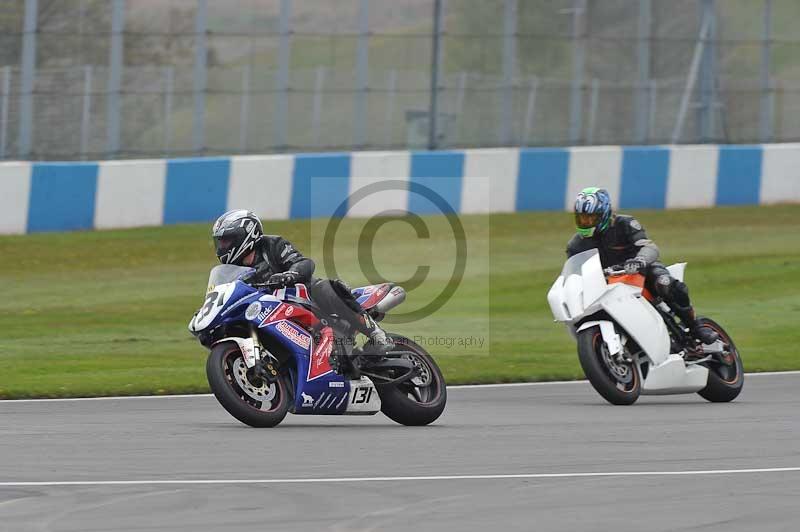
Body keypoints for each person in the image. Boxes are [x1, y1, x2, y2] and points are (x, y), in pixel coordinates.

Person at [210, 209, 393, 358]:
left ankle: (377, 335)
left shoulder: (272, 245)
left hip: (302, 297)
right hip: (268, 312)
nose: (222, 246)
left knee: (328, 288)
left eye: (227, 240)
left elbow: (304, 263)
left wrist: (290, 274)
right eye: (220, 241)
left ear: (245, 235)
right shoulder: (231, 269)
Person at [566, 187, 719, 346]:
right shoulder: (576, 244)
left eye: (591, 218)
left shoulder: (625, 224)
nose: (586, 222)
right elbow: (575, 272)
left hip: (641, 270)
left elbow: (649, 247)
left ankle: (695, 327)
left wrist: (640, 260)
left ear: (604, 214)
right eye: (582, 218)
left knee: (664, 283)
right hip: (608, 283)